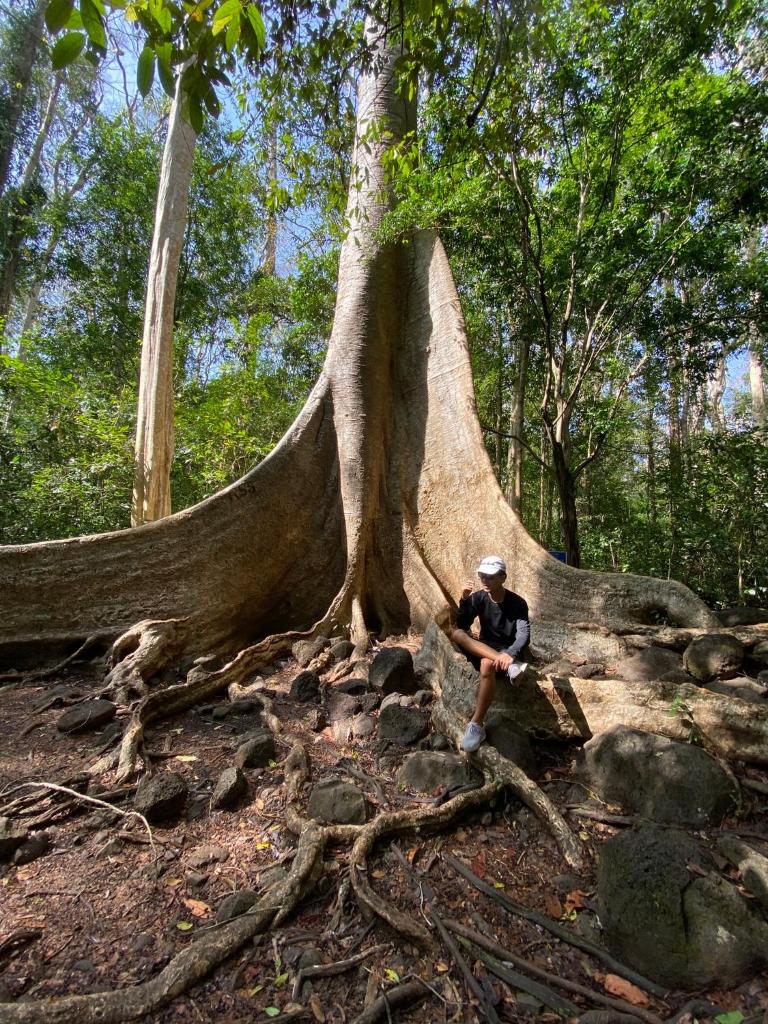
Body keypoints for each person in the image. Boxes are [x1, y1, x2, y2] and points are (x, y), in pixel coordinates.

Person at [450, 555, 529, 752]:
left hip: (506, 650)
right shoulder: (478, 598)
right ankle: (512, 668)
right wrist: (464, 600)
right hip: (485, 647)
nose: (485, 580)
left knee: (487, 665)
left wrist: (510, 654)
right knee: (457, 634)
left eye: (490, 577)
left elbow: (523, 634)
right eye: (482, 576)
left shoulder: (517, 603)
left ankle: (476, 725)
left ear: (503, 577)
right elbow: (463, 625)